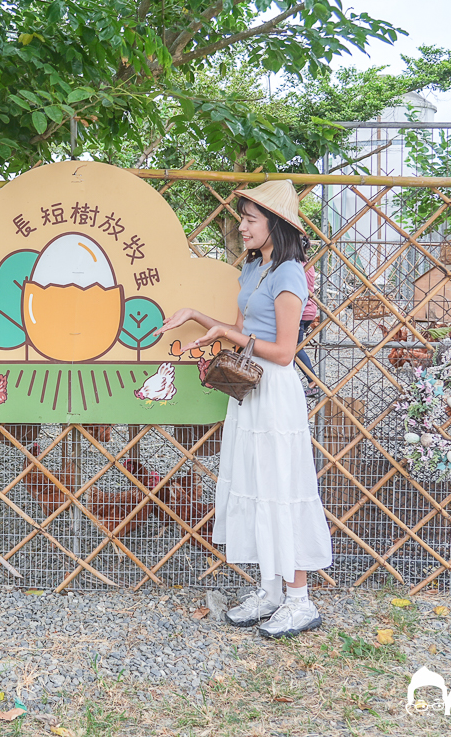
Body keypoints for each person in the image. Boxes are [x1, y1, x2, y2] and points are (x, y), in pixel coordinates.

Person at [157, 179, 332, 638]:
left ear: (275, 225)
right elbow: (238, 329)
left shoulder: (291, 273)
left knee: (280, 484)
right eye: (243, 217)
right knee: (255, 482)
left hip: (274, 389)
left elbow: (284, 352)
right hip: (248, 391)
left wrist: (227, 336)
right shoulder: (253, 270)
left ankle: (300, 600)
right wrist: (196, 315)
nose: (242, 226)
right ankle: (270, 592)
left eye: (250, 219)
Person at [298, 264, 320, 397]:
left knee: (294, 348)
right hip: (310, 309)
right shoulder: (308, 263)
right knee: (295, 347)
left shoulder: (293, 263)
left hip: (301, 310)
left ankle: (312, 379)